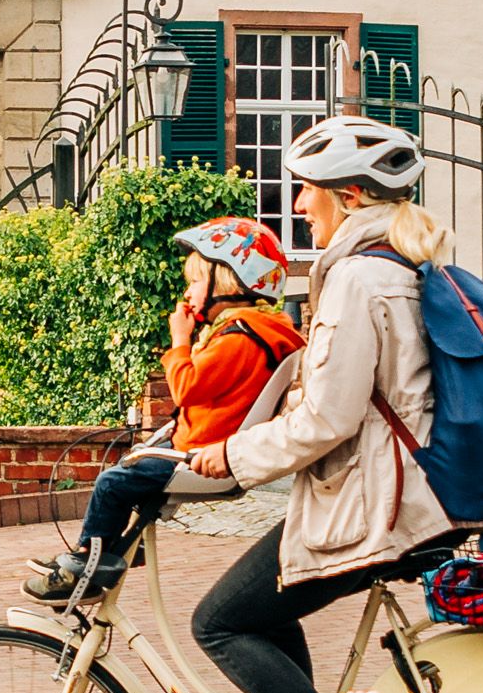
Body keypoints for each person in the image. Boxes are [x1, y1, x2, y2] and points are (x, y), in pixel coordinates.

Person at [182, 115, 472, 693]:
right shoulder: (403, 264)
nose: (298, 202)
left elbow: (328, 418)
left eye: (308, 186)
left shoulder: (357, 278)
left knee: (220, 623)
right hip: (416, 494)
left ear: (352, 196)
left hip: (379, 507)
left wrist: (233, 455)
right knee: (271, 591)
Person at [25, 214, 304, 603]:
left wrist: (179, 340)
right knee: (131, 470)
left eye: (195, 281)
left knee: (112, 483)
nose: (187, 292)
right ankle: (118, 551)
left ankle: (87, 566)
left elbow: (187, 388)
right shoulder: (258, 332)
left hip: (202, 456)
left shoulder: (241, 339)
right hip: (202, 445)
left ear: (227, 282)